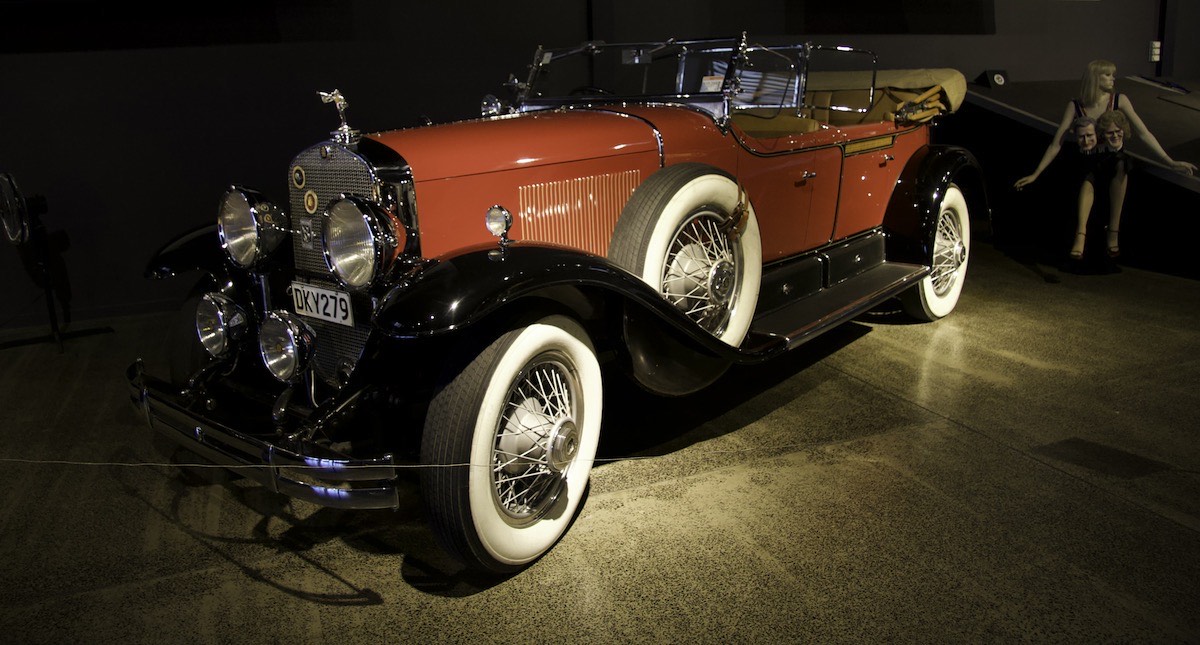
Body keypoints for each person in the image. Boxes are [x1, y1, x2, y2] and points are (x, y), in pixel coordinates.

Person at [1013, 59, 1197, 260]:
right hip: (1088, 159)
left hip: (1113, 157)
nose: (1112, 79)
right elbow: (1056, 143)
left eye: (1113, 75)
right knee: (1087, 178)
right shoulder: (1075, 105)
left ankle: (1113, 231)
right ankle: (1080, 234)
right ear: (1095, 78)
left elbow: (1144, 133)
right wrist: (1036, 173)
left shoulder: (1119, 100)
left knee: (1120, 165)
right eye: (1107, 75)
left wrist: (1170, 162)